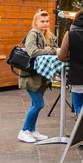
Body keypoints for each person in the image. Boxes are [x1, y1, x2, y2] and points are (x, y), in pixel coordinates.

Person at [18, 10, 58, 143]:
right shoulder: (33, 34)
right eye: (42, 21)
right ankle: (24, 131)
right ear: (36, 22)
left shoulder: (48, 35)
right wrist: (50, 51)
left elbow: (56, 48)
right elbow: (32, 52)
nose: (45, 24)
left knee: (36, 104)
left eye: (47, 21)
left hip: (40, 76)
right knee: (39, 104)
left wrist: (50, 50)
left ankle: (31, 130)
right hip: (30, 76)